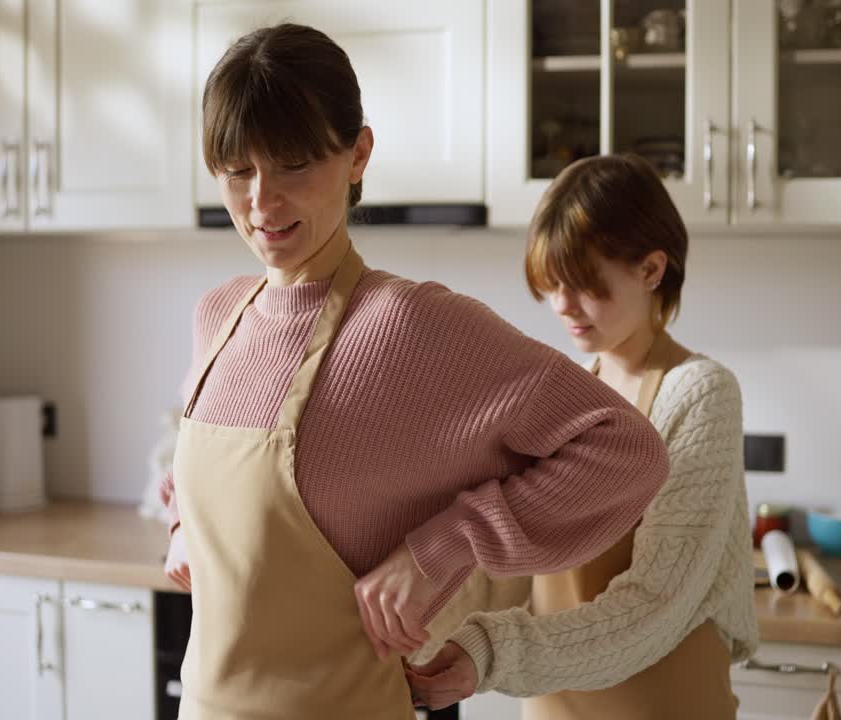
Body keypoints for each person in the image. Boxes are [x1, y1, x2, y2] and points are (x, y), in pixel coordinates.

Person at [156, 24, 670, 720]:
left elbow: (624, 449)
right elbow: (198, 481)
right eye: (238, 170)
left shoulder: (408, 327)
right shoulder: (218, 316)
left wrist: (444, 547)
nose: (261, 202)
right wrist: (184, 524)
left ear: (358, 154)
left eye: (293, 165)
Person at [406, 154, 759, 719]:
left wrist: (487, 652)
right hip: (555, 707)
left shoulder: (700, 393)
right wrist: (404, 635)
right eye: (552, 284)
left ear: (651, 270)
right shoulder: (564, 396)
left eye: (587, 285)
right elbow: (504, 568)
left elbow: (657, 606)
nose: (562, 306)